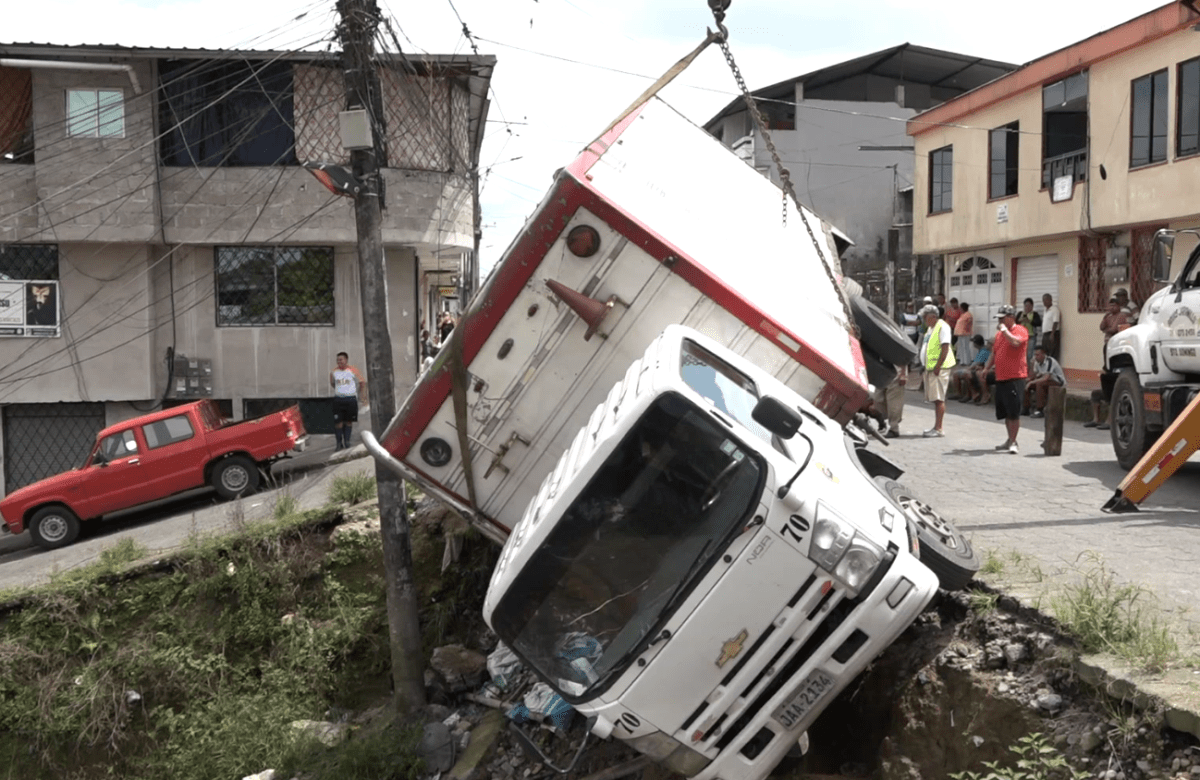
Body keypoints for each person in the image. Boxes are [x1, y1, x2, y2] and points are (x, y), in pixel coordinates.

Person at [981, 304, 1028, 454]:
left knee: (1014, 412)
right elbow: (994, 353)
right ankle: (1009, 439)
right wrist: (987, 367)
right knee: (1006, 412)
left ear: (1011, 318)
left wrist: (1005, 330)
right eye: (999, 319)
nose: (1000, 321)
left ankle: (1014, 441)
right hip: (1001, 376)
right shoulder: (999, 335)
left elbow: (1015, 342)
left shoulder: (1020, 330)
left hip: (1015, 377)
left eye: (1002, 318)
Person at [1085, 296, 1129, 430]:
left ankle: (1110, 421)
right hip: (1107, 344)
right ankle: (1096, 419)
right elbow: (1102, 327)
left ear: (1118, 306)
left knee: (1112, 392)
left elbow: (1113, 329)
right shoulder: (1108, 316)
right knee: (1096, 393)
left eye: (1113, 306)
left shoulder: (1122, 316)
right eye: (1109, 306)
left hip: (1115, 344)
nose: (1111, 308)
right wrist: (1105, 319)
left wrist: (1108, 329)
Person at [919, 304, 955, 437]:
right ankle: (936, 427)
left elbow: (945, 348)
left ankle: (938, 428)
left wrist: (938, 367)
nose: (923, 319)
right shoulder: (930, 328)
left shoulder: (943, 327)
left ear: (933, 316)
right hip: (931, 367)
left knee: (939, 398)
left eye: (925, 317)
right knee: (934, 398)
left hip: (939, 368)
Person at [330, 351, 367, 451]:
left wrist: (360, 395)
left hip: (350, 399)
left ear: (346, 360)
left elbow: (362, 382)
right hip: (338, 399)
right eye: (337, 360)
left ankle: (347, 442)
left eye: (341, 359)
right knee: (338, 422)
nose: (339, 362)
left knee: (349, 421)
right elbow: (333, 383)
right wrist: (340, 390)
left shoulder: (353, 370)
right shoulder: (334, 372)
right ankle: (339, 443)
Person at [1022, 345, 1066, 418]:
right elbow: (1034, 375)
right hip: (1046, 381)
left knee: (1039, 384)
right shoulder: (1036, 361)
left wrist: (1032, 382)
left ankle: (1040, 410)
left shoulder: (1050, 361)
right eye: (1035, 354)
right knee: (1027, 383)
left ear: (1043, 354)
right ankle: (1026, 408)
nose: (1036, 356)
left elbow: (1046, 378)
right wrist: (1032, 366)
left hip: (1057, 382)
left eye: (1037, 355)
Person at [950, 335, 990, 403]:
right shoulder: (980, 350)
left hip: (978, 369)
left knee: (966, 374)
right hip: (975, 368)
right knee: (955, 374)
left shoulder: (984, 351)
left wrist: (969, 368)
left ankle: (972, 394)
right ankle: (958, 394)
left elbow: (978, 363)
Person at [872, 363, 908, 439]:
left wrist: (903, 374)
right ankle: (891, 418)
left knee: (894, 404)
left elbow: (904, 357)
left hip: (896, 372)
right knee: (877, 399)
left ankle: (894, 429)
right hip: (881, 371)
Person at [1017, 298, 1042, 367]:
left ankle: (1029, 370)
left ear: (1032, 306)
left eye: (1029, 306)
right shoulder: (1020, 314)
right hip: (1020, 338)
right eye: (1026, 306)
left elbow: (1039, 323)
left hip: (1031, 337)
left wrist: (1030, 321)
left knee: (1029, 355)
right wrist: (1020, 321)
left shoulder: (1035, 314)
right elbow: (1015, 324)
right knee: (1020, 355)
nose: (1027, 308)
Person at [1041, 293, 1061, 361]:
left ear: (1050, 300)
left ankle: (1052, 370)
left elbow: (1055, 322)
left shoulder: (1054, 309)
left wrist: (1052, 334)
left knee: (1053, 354)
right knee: (1045, 353)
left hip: (1052, 334)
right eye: (1043, 300)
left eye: (1046, 300)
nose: (1044, 302)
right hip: (1045, 334)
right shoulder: (1045, 310)